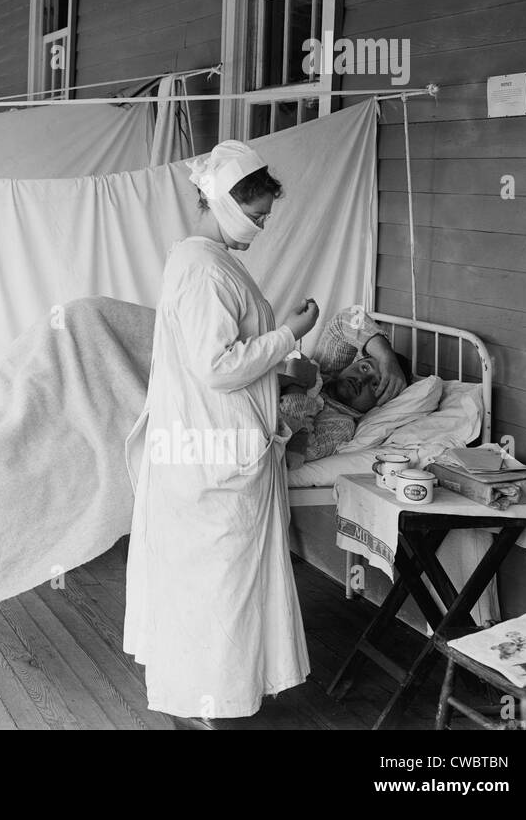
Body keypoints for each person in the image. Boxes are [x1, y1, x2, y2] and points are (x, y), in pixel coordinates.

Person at [123, 140, 319, 722]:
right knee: (218, 582)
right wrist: (290, 334)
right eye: (256, 216)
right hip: (211, 449)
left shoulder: (206, 260)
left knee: (218, 580)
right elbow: (216, 367)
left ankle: (217, 691)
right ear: (226, 205)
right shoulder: (203, 268)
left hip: (212, 441)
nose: (261, 227)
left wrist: (281, 368)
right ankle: (207, 696)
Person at [279, 306, 409, 469]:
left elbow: (295, 452)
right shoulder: (326, 369)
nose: (361, 379)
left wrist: (296, 384)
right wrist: (386, 358)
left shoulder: (342, 425)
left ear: (382, 401)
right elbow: (346, 319)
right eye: (365, 368)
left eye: (375, 385)